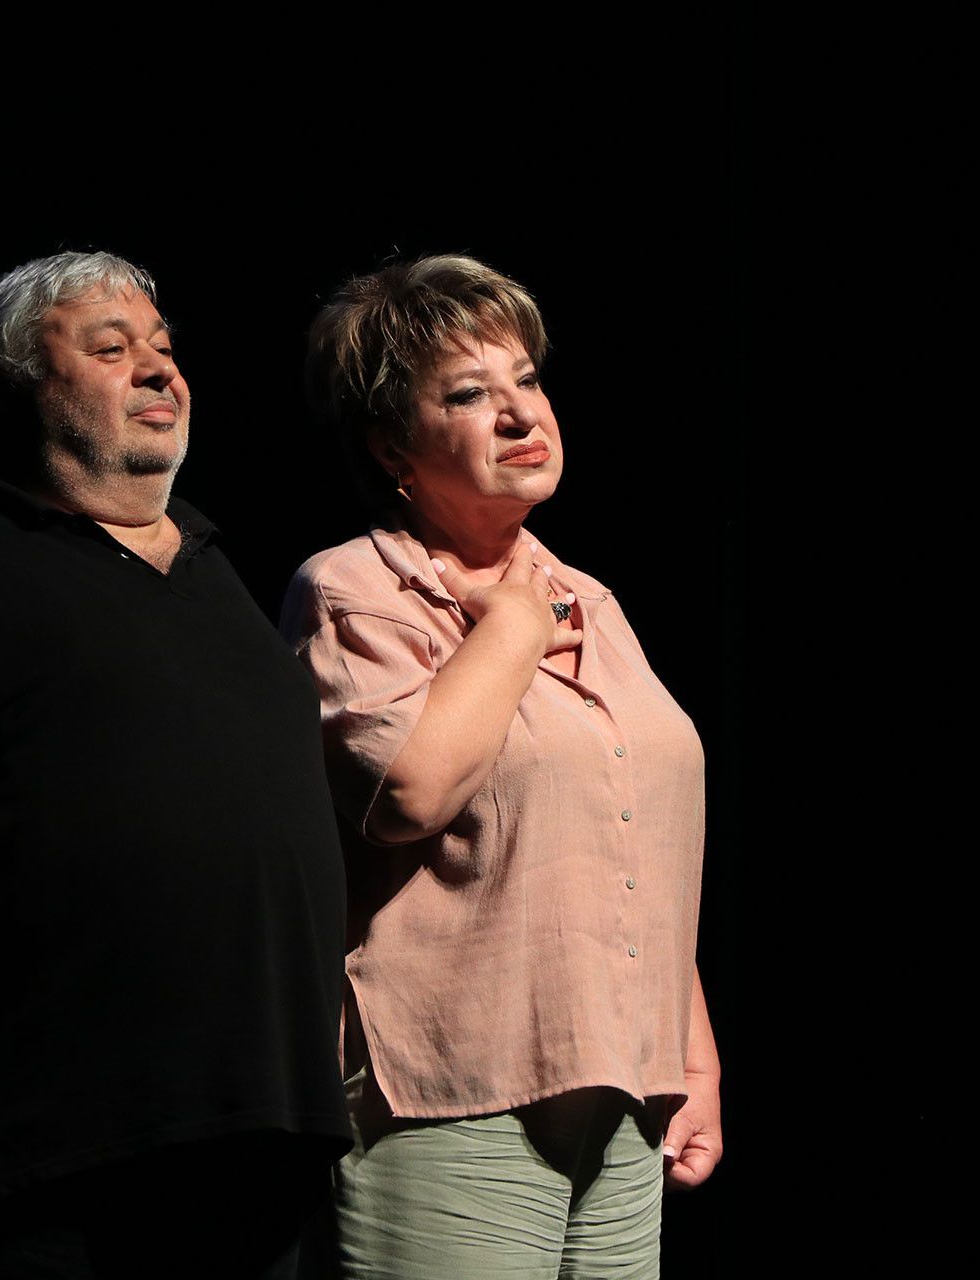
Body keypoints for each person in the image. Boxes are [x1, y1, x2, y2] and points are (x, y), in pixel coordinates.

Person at [0, 251, 352, 1278]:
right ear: (11, 386)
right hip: (57, 1140)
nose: (158, 368)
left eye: (164, 348)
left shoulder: (219, 572)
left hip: (261, 1128)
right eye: (109, 347)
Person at [282, 255, 723, 1278]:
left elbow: (630, 837)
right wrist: (515, 626)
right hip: (450, 1091)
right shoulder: (357, 591)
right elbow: (410, 791)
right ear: (392, 444)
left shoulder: (591, 598)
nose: (521, 412)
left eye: (527, 379)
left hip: (624, 1088)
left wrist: (690, 1053)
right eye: (469, 394)